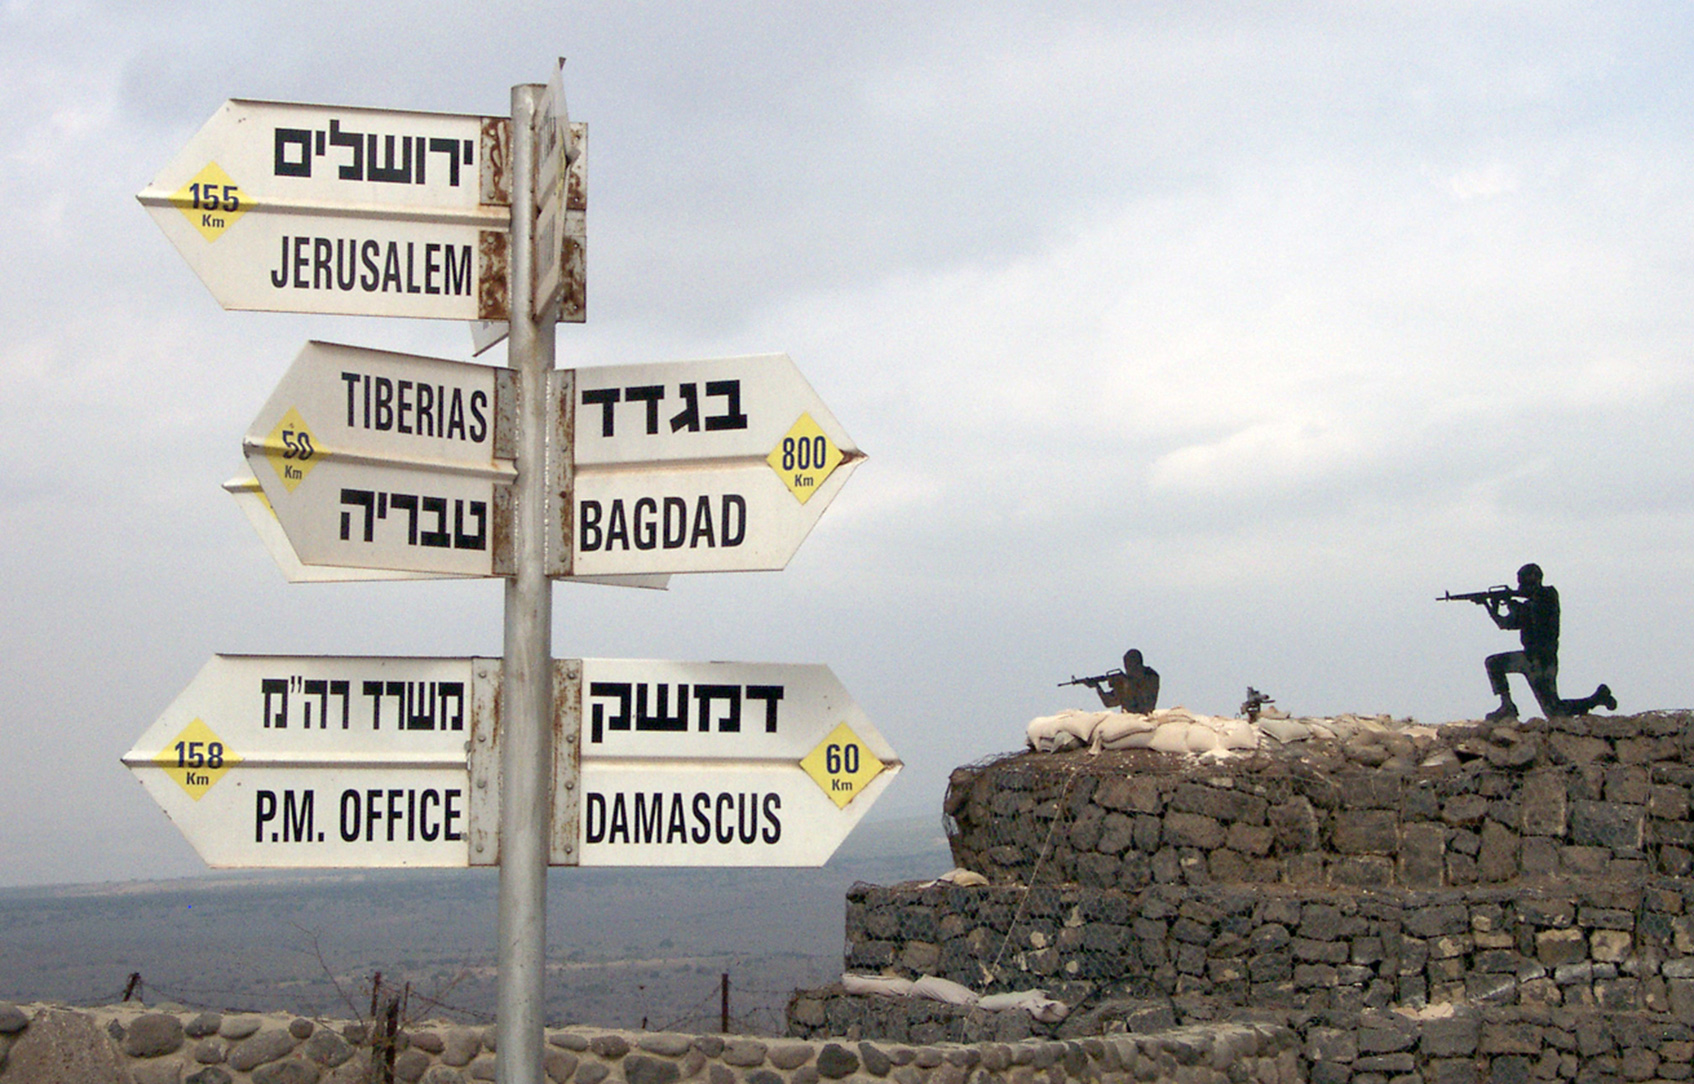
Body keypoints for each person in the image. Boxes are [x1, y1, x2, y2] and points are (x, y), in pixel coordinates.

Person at [1482, 563, 1616, 721]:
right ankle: (1596, 699)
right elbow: (1505, 624)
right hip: (1534, 659)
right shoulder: (1531, 603)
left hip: (1541, 660)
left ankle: (1507, 706)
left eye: (1523, 583)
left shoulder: (1547, 596)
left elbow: (1528, 612)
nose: (1520, 587)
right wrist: (1490, 607)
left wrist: (1510, 602)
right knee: (1553, 710)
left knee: (1494, 664)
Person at [1096, 649, 1160, 714]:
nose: (1127, 668)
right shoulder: (1128, 681)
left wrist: (1123, 683)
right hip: (1131, 717)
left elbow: (1140, 691)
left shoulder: (1150, 676)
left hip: (1142, 716)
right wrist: (1098, 687)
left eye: (1128, 664)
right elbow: (1109, 701)